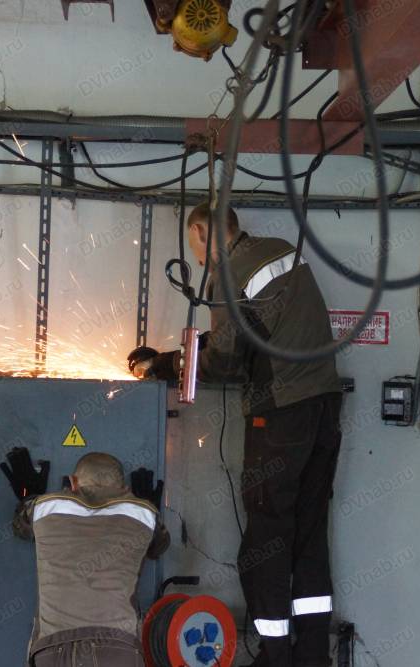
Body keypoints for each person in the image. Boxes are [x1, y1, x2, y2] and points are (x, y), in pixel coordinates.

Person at [127, 203, 343, 667]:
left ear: (200, 231)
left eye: (193, 246)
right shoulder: (281, 251)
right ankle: (312, 656)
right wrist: (187, 352)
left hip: (281, 415)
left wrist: (167, 365)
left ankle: (274, 654)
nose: (197, 258)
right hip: (325, 407)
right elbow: (259, 332)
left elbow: (225, 362)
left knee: (266, 538)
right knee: (309, 532)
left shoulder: (229, 275)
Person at [5, 449, 169, 667]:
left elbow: (20, 527)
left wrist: (30, 496)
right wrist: (147, 506)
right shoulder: (144, 514)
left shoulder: (43, 508)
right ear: (125, 488)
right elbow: (158, 548)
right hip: (118, 648)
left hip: (53, 649)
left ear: (73, 482)